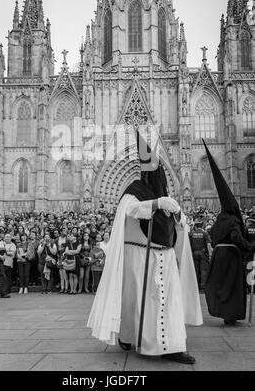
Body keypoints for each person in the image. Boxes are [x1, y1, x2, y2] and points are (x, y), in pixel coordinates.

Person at [88, 130, 202, 365]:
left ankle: (172, 345)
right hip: (142, 256)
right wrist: (155, 203)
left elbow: (182, 226)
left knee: (167, 302)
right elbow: (129, 210)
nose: (160, 175)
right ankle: (135, 337)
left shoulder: (165, 195)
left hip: (165, 257)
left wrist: (179, 215)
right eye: (157, 170)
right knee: (141, 302)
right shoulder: (135, 191)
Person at [203, 140, 255, 326]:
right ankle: (231, 314)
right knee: (231, 286)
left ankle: (224, 313)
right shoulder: (233, 220)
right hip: (231, 256)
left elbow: (212, 236)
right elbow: (235, 237)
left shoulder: (219, 220)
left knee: (221, 284)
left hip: (219, 255)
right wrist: (249, 246)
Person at [189, 218, 212, 292]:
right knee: (203, 270)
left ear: (196, 226)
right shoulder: (205, 233)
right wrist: (210, 255)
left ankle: (195, 286)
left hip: (194, 253)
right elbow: (208, 244)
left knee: (195, 270)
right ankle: (202, 288)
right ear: (202, 226)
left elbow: (189, 245)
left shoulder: (192, 233)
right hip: (202, 253)